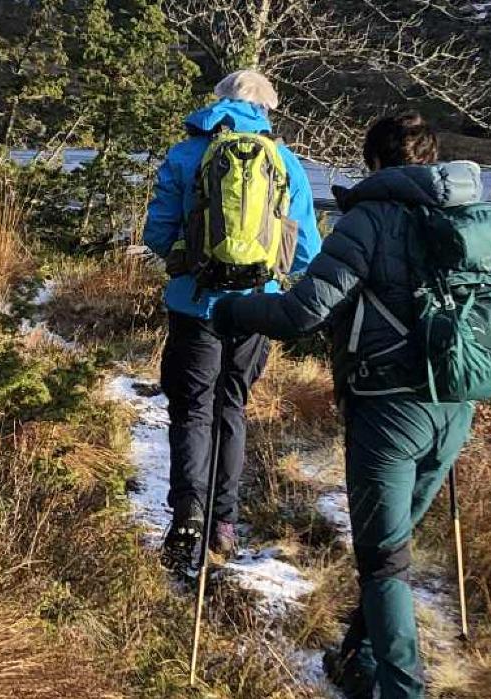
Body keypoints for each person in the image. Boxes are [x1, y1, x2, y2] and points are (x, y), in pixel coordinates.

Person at [215, 113, 489, 699]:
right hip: (458, 403)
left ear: (374, 163)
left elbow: (301, 314)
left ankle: (399, 689)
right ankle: (359, 657)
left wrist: (233, 311)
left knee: (383, 561)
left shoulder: (368, 221)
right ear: (432, 159)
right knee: (396, 544)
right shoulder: (468, 217)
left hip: (389, 411)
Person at [141, 70, 322, 572]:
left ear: (217, 102)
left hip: (193, 305)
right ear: (268, 108)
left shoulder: (184, 154)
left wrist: (189, 252)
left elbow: (156, 234)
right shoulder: (284, 162)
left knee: (192, 409)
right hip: (255, 308)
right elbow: (307, 251)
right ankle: (224, 522)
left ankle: (187, 518)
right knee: (231, 408)